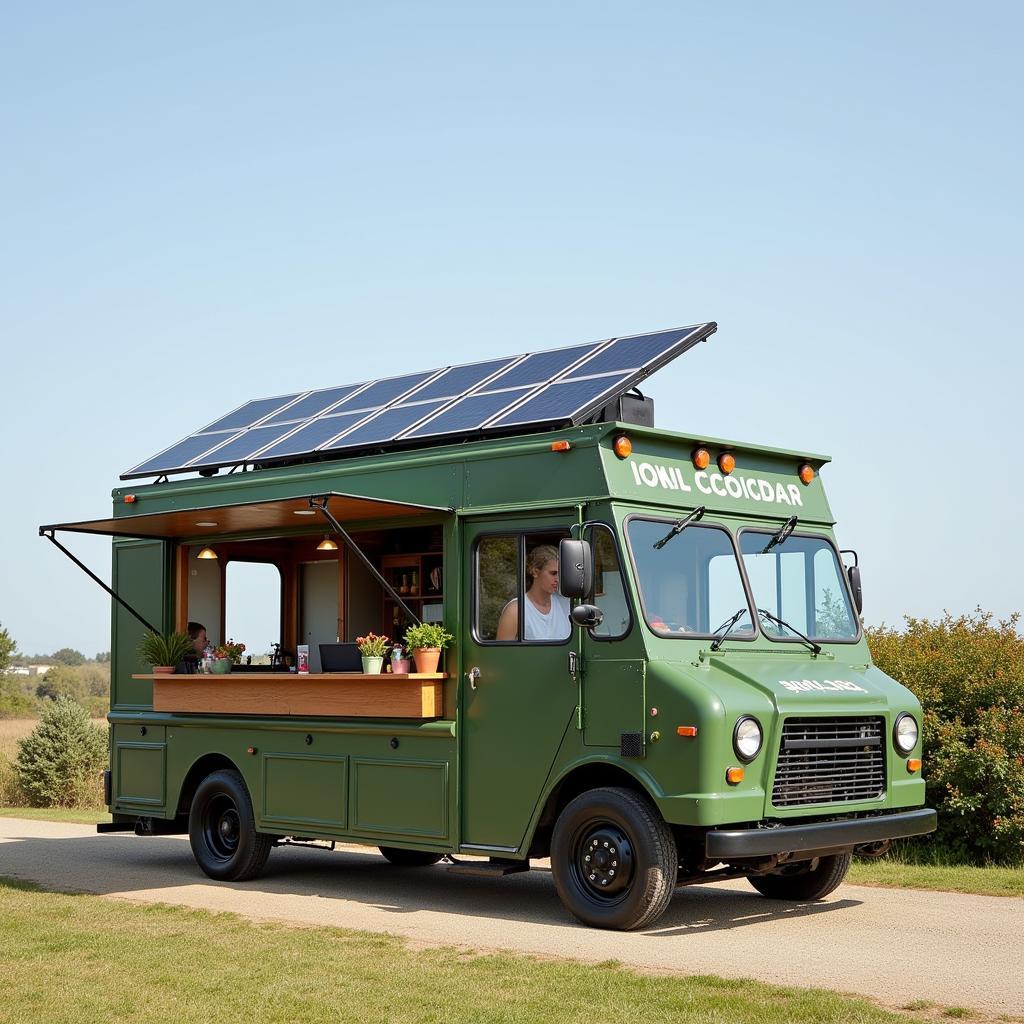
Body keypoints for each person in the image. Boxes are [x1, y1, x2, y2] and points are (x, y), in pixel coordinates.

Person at [496, 545, 572, 641]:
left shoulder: (566, 604)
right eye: (553, 573)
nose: (558, 579)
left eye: (560, 574)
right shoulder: (515, 611)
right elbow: (501, 654)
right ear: (535, 572)